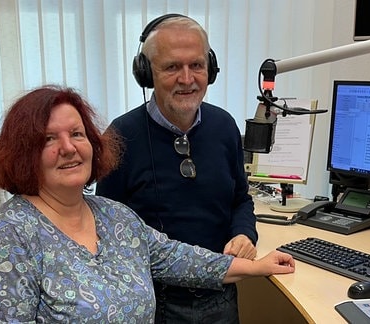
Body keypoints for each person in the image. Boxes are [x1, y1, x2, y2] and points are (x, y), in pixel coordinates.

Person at [0, 85, 295, 323]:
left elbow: (177, 258)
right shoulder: (11, 236)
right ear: (25, 154)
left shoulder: (115, 217)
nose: (68, 148)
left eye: (77, 134)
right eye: (49, 139)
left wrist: (258, 266)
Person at [95, 14, 257, 323]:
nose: (187, 78)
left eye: (196, 65)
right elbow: (107, 231)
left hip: (220, 296)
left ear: (210, 69)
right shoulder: (120, 138)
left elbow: (240, 199)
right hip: (155, 304)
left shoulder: (224, 127)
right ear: (146, 73)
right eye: (172, 67)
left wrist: (244, 233)